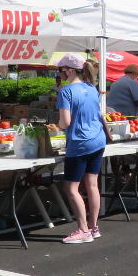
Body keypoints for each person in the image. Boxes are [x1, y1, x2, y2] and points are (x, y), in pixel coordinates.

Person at [55, 54, 110, 243]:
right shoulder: (91, 88)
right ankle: (93, 227)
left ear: (68, 70)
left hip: (80, 142)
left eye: (61, 70)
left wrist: (58, 126)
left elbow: (65, 122)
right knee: (92, 184)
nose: (60, 74)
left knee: (71, 188)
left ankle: (83, 230)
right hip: (98, 139)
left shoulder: (66, 91)